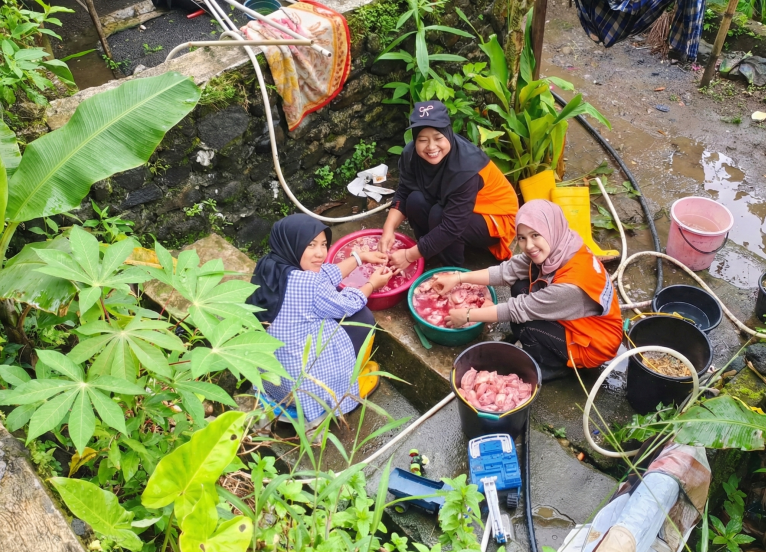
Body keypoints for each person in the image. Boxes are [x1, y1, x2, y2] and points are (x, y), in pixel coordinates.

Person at [432, 200, 623, 379]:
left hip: (594, 344)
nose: (529, 246)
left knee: (524, 326)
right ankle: (547, 345)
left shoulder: (572, 286)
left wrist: (466, 315)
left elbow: (516, 310)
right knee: (519, 286)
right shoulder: (561, 245)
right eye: (522, 238)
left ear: (550, 230)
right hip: (575, 319)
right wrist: (458, 277)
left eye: (535, 235)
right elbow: (507, 270)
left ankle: (553, 367)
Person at [246, 214, 394, 424]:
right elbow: (348, 305)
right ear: (294, 244)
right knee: (363, 318)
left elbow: (323, 274)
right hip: (304, 387)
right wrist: (372, 283)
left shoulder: (271, 263)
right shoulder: (308, 283)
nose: (320, 253)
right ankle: (346, 386)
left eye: (324, 244)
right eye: (311, 245)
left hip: (273, 379)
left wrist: (360, 258)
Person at [379, 100, 519, 270]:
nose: (431, 147)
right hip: (454, 207)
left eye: (438, 138)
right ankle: (429, 252)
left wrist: (409, 255)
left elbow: (453, 226)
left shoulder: (466, 167)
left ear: (448, 134)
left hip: (495, 218)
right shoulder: (411, 155)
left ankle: (451, 269)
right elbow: (404, 191)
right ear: (415, 139)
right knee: (414, 200)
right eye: (422, 140)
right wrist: (388, 229)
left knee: (440, 215)